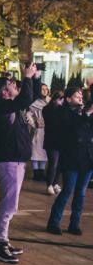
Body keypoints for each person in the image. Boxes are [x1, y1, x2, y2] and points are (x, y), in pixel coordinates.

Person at [0, 64, 38, 264]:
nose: (16, 86)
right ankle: (0, 244)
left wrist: (33, 78)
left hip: (15, 160)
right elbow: (26, 98)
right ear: (5, 92)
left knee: (10, 204)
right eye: (12, 85)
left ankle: (3, 240)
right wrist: (27, 78)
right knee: (8, 204)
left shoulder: (7, 105)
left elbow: (28, 98)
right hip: (9, 160)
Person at [46, 87, 93, 235]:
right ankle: (54, 223)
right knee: (67, 190)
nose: (80, 97)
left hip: (87, 159)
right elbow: (71, 128)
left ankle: (75, 224)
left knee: (81, 193)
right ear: (67, 99)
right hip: (71, 159)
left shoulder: (84, 112)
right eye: (76, 95)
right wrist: (86, 114)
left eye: (81, 95)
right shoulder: (63, 112)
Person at [26, 83, 50, 181]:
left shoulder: (50, 101)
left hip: (48, 129)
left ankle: (42, 171)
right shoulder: (35, 103)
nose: (44, 91)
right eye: (42, 89)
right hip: (39, 130)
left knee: (44, 151)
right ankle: (36, 173)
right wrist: (33, 124)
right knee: (36, 150)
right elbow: (27, 114)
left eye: (46, 89)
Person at [42, 91, 65, 195]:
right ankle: (49, 185)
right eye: (59, 99)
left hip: (61, 141)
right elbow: (52, 122)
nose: (60, 101)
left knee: (60, 164)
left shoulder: (63, 109)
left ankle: (55, 183)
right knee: (53, 163)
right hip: (51, 141)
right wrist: (59, 108)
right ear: (54, 99)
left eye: (62, 99)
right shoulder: (47, 109)